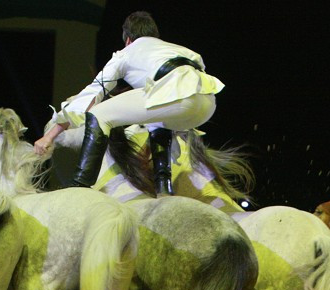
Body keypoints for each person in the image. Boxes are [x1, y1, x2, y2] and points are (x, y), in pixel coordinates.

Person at [35, 11, 225, 196]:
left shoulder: (125, 53)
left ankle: (81, 184)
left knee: (98, 114)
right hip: (207, 104)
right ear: (154, 35)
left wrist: (49, 137)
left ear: (128, 39)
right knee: (157, 121)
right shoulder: (181, 50)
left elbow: (91, 95)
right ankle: (163, 189)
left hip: (175, 97)